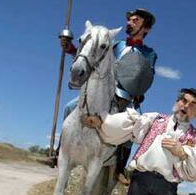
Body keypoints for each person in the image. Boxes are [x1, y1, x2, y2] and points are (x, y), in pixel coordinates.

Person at [54, 9, 158, 181]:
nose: (130, 23)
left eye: (135, 20)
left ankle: (119, 167)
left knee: (132, 126)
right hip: (101, 89)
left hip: (124, 95)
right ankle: (59, 151)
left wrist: (140, 92)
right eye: (129, 20)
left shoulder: (149, 54)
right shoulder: (116, 45)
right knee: (70, 107)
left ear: (145, 28)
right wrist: (70, 48)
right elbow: (92, 56)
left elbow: (146, 76)